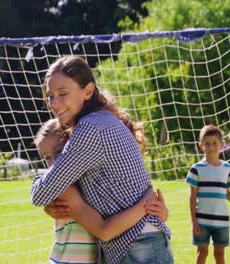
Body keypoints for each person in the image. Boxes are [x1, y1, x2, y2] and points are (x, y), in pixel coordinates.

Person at [31, 56, 173, 264]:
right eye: (50, 96)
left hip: (137, 244)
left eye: (63, 94)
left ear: (88, 91)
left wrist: (43, 189)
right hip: (137, 242)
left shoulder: (90, 128)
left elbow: (40, 193)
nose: (55, 103)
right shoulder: (103, 119)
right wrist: (53, 203)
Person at [35, 118, 168, 263]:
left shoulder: (92, 182)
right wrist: (145, 204)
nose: (54, 163)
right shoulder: (67, 191)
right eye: (47, 157)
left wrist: (159, 211)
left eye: (60, 152)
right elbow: (104, 231)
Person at [185, 124, 230, 264]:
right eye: (207, 144)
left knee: (219, 255)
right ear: (201, 145)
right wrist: (193, 220)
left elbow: (226, 192)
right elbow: (192, 197)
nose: (211, 147)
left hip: (222, 220)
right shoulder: (196, 169)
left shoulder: (227, 168)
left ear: (222, 145)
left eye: (214, 143)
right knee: (202, 253)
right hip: (202, 221)